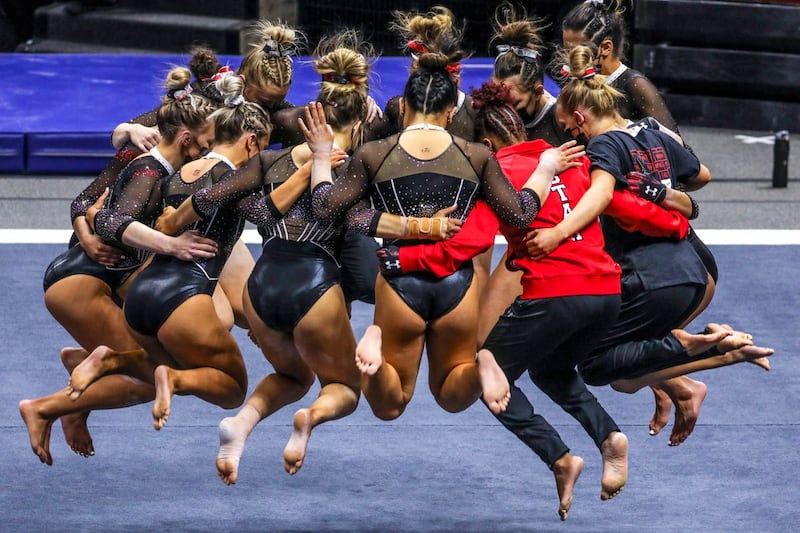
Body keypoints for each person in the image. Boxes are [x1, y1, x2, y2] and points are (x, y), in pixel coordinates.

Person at [155, 33, 460, 483]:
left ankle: (240, 424)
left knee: (293, 375)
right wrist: (427, 225)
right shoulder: (353, 164)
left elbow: (216, 197)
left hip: (261, 289)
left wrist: (170, 224)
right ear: (358, 121)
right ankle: (309, 419)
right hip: (312, 283)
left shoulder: (270, 160)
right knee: (345, 389)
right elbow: (365, 221)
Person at [306, 52, 577, 423]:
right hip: (458, 284)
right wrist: (545, 169)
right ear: (451, 112)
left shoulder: (375, 153)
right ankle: (482, 363)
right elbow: (520, 213)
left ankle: (374, 355)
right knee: (453, 394)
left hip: (400, 280)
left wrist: (321, 157)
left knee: (390, 404)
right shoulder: (477, 154)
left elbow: (325, 207)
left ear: (404, 108)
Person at [21, 66, 219, 465]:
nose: (206, 154)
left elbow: (103, 213)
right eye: (204, 144)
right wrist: (171, 244)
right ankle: (47, 407)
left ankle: (87, 364)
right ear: (184, 138)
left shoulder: (160, 170)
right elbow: (111, 220)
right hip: (78, 283)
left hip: (97, 277)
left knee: (162, 361)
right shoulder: (148, 170)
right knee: (152, 378)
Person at [560, 3, 724, 440]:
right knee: (622, 371)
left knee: (613, 361)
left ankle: (686, 384)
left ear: (605, 49)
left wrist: (660, 191)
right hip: (657, 250)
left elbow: (694, 172)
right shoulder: (587, 98)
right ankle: (677, 386)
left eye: (574, 51)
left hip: (674, 251)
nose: (566, 63)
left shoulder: (634, 91)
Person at [490, 1, 573, 147]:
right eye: (501, 103)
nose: (507, 113)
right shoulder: (492, 117)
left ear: (538, 92)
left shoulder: (562, 122)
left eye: (516, 104)